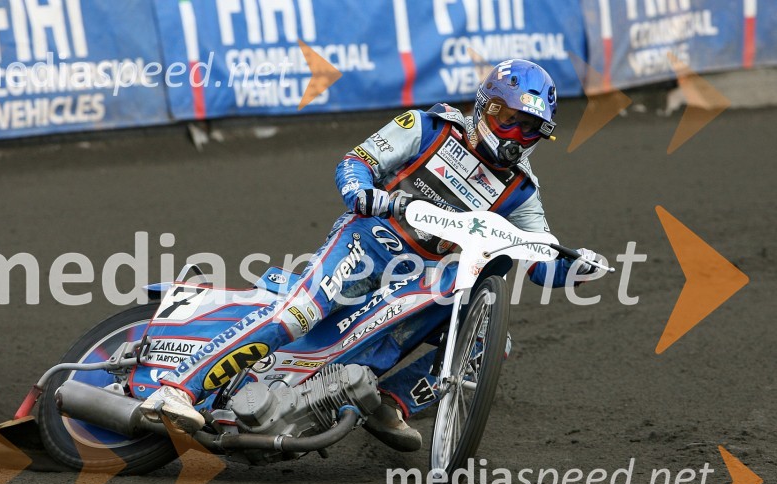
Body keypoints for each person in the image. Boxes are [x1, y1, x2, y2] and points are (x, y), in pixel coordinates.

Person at [141, 59, 601, 451]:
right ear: (485, 106)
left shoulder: (522, 191)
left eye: (530, 129)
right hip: (366, 243)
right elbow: (355, 162)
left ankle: (388, 403)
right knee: (300, 312)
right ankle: (178, 389)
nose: (516, 136)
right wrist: (363, 193)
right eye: (509, 120)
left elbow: (541, 262)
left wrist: (576, 266)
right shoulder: (427, 126)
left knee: (490, 343)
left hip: (421, 281)